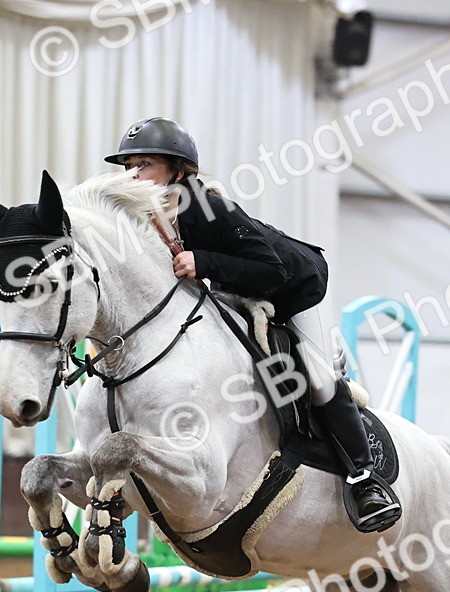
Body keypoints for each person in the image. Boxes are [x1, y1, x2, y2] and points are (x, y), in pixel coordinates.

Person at [104, 117, 401, 533]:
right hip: (239, 291)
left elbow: (272, 271)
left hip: (296, 287)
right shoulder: (147, 217)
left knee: (316, 379)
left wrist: (204, 262)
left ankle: (364, 479)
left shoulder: (208, 209)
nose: (134, 174)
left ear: (178, 169)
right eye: (128, 165)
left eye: (145, 164)